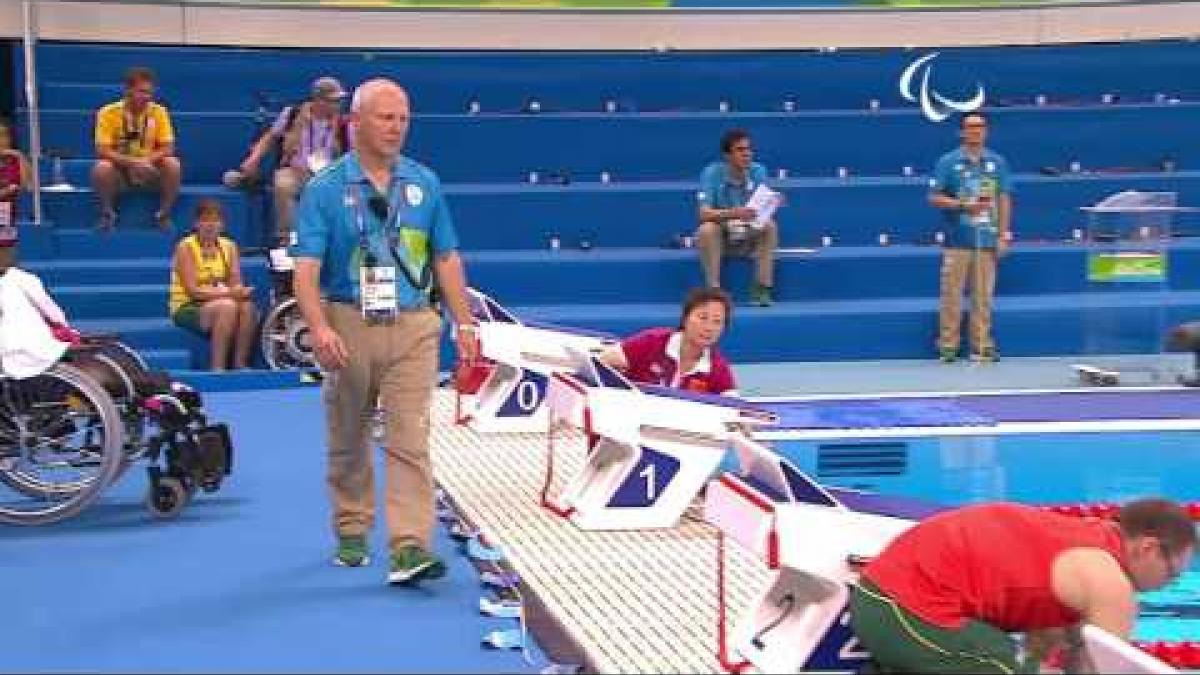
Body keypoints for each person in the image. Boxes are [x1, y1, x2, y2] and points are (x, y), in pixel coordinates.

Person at [291, 77, 479, 586]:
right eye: (385, 117)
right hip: (349, 323)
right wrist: (318, 327)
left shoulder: (426, 184)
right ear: (355, 122)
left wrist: (463, 321)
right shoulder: (325, 189)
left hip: (415, 324)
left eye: (403, 119)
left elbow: (446, 256)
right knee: (349, 435)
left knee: (409, 437)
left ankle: (409, 547)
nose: (396, 128)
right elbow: (304, 269)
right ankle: (352, 528)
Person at [850, 498, 1196, 674]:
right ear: (1148, 548)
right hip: (905, 610)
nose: (1168, 584)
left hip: (883, 599)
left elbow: (1044, 643)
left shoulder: (1088, 538)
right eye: (1172, 574)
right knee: (1006, 664)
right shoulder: (1111, 585)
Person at [227, 76, 351, 245]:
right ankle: (288, 240)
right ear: (318, 100)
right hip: (295, 170)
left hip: (328, 174)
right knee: (283, 185)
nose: (338, 105)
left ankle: (333, 241)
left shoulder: (344, 124)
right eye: (333, 101)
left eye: (339, 101)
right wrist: (253, 159)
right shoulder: (293, 114)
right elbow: (270, 137)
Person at [930, 111, 1012, 363]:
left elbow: (1004, 199)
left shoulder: (997, 163)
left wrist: (1003, 236)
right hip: (957, 240)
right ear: (962, 132)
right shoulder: (948, 162)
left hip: (986, 240)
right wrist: (962, 205)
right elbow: (934, 197)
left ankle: (982, 345)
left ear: (986, 131)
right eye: (970, 127)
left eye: (980, 126)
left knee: (983, 297)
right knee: (951, 295)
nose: (975, 131)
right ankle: (948, 346)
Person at [168, 199, 258, 371]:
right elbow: (193, 291)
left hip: (220, 298)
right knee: (227, 306)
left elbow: (235, 282)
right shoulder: (185, 247)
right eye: (205, 220)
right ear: (196, 223)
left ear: (222, 225)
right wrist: (230, 294)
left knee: (247, 307)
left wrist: (240, 291)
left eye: (216, 221)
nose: (210, 225)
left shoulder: (229, 246)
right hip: (187, 306)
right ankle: (217, 367)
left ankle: (240, 363)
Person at [696, 129, 780, 307]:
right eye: (740, 150)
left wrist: (773, 203)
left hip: (749, 233)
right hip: (722, 235)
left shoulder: (759, 171)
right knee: (706, 229)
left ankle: (762, 289)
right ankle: (714, 291)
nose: (747, 153)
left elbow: (761, 209)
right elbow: (703, 214)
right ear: (727, 155)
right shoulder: (711, 174)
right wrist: (735, 213)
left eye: (749, 149)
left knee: (770, 225)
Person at [91, 66, 182, 232]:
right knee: (102, 168)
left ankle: (163, 215)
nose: (147, 97)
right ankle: (107, 214)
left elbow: (168, 147)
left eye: (149, 93)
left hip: (149, 169)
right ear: (128, 90)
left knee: (173, 164)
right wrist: (132, 163)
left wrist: (146, 161)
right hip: (120, 171)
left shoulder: (159, 112)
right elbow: (102, 150)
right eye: (142, 92)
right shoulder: (107, 113)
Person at [600, 287, 737, 396]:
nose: (708, 327)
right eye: (703, 317)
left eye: (717, 322)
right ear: (685, 318)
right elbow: (601, 363)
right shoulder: (651, 342)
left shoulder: (718, 369)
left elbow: (735, 410)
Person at [0, 117, 32, 226]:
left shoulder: (19, 158)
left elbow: (28, 188)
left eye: (4, 135)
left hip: (15, 221)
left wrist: (19, 156)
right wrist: (6, 191)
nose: (1, 140)